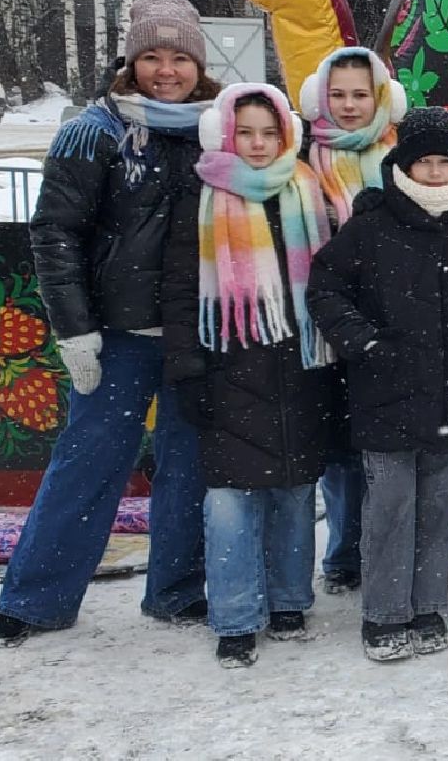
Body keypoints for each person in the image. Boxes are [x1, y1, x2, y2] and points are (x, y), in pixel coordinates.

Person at [0, 0, 213, 648]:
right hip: (118, 336)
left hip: (197, 332)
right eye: (152, 56)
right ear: (131, 61)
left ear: (198, 65)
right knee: (88, 464)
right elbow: (56, 233)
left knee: (190, 467)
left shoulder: (218, 129)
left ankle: (177, 591)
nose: (166, 70)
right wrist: (74, 330)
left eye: (180, 58)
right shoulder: (96, 131)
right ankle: (36, 599)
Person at [307, 107, 448, 662]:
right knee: (391, 509)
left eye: (446, 162)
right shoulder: (372, 225)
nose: (436, 172)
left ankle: (426, 608)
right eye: (425, 162)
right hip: (386, 394)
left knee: (439, 510)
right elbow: (325, 286)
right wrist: (365, 343)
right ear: (404, 165)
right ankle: (384, 614)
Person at [161, 84, 338, 668]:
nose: (258, 144)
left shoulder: (307, 191)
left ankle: (288, 600)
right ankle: (235, 616)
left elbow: (331, 284)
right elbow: (181, 292)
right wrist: (188, 370)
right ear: (224, 134)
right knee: (230, 502)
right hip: (228, 369)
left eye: (269, 132)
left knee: (294, 492)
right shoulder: (201, 198)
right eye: (246, 133)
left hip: (300, 369)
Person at [301, 47, 408, 596]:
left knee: (385, 447)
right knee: (340, 451)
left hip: (389, 323)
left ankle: (385, 549)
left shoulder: (402, 161)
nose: (348, 105)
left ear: (381, 98)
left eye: (360, 94)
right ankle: (345, 552)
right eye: (337, 94)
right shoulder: (300, 160)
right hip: (322, 322)